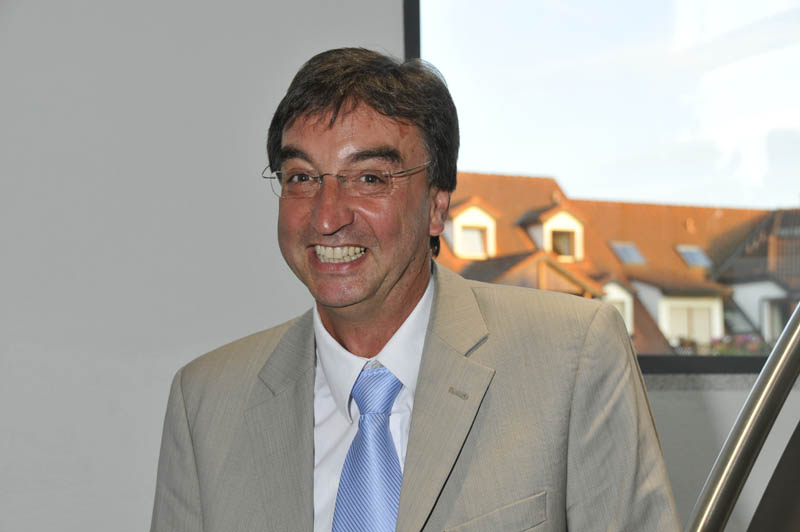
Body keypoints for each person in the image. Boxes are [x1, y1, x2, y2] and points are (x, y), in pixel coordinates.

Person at [151, 47, 680, 532]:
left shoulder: (573, 357)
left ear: (436, 206)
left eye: (370, 178)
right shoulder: (205, 403)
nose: (327, 217)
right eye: (302, 177)